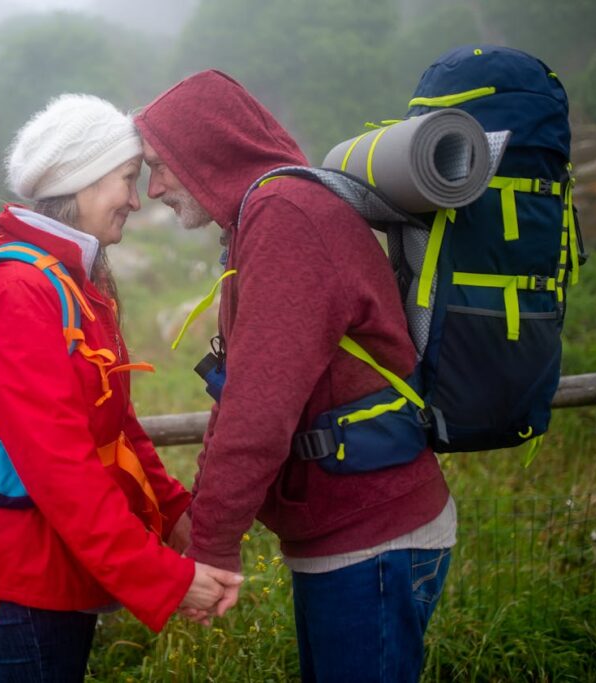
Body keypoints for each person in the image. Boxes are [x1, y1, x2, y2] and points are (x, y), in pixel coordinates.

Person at [135, 70, 456, 682]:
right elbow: (240, 395)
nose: (152, 189)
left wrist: (212, 547)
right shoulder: (262, 218)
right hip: (349, 533)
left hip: (372, 539)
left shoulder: (286, 219)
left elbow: (258, 411)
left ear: (205, 148)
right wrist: (209, 527)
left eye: (160, 164)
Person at [0, 93, 242, 682]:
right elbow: (60, 469)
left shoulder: (68, 280)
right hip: (24, 573)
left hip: (60, 566)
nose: (136, 198)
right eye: (127, 179)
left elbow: (116, 424)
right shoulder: (18, 291)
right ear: (79, 181)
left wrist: (178, 515)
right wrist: (164, 579)